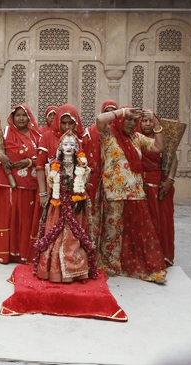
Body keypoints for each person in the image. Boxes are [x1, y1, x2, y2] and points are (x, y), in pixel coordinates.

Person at [94, 106, 167, 283]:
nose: (132, 123)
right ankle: (110, 264)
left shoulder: (136, 138)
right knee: (112, 230)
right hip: (113, 192)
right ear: (121, 119)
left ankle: (136, 265)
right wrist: (123, 111)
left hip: (134, 192)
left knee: (137, 231)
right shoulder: (109, 134)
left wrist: (157, 126)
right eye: (129, 119)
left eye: (135, 121)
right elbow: (99, 119)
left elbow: (158, 147)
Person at [34, 131, 99, 282]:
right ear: (60, 147)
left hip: (77, 207)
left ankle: (74, 272)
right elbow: (51, 186)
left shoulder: (83, 167)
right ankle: (54, 272)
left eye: (72, 144)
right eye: (65, 144)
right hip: (57, 207)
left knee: (74, 238)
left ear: (77, 148)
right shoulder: (52, 167)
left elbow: (84, 185)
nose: (68, 147)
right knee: (54, 236)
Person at [0, 104, 43, 264]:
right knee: (7, 216)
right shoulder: (5, 133)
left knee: (25, 219)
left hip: (29, 184)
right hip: (8, 183)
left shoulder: (36, 136)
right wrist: (0, 155)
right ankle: (5, 253)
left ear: (28, 117)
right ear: (12, 117)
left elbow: (43, 156)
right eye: (17, 115)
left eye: (23, 115)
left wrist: (28, 162)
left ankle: (23, 253)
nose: (21, 118)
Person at [31, 104, 84, 251]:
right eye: (64, 122)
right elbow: (40, 166)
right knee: (52, 225)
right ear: (57, 122)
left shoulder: (80, 138)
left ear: (76, 123)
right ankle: (51, 263)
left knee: (74, 226)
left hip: (75, 191)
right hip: (52, 190)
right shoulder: (47, 137)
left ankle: (71, 261)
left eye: (71, 123)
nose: (67, 126)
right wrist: (43, 193)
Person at [80, 100, 118, 264]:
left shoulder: (122, 134)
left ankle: (109, 257)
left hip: (115, 184)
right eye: (107, 112)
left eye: (113, 112)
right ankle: (91, 254)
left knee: (113, 219)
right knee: (93, 217)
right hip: (95, 182)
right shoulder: (89, 133)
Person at [137, 109, 177, 266]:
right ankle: (143, 255)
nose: (147, 124)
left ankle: (161, 255)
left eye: (150, 121)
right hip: (140, 186)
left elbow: (173, 159)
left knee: (160, 221)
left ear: (156, 122)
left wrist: (170, 181)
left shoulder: (161, 140)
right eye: (144, 121)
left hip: (159, 186)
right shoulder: (136, 139)